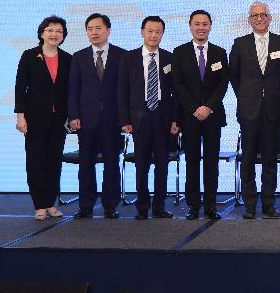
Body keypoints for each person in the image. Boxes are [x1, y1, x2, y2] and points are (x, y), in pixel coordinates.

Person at [230, 2, 280, 219]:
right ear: (249, 20)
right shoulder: (240, 44)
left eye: (263, 15)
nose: (259, 18)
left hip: (274, 112)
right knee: (247, 159)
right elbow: (234, 77)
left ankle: (269, 204)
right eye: (254, 16)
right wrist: (247, 98)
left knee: (269, 159)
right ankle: (249, 204)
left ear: (270, 18)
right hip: (249, 111)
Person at [118, 16, 179, 220]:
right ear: (142, 32)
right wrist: (125, 120)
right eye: (150, 31)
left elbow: (176, 93)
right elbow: (122, 91)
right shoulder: (129, 58)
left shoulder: (170, 58)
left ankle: (160, 206)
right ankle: (142, 207)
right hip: (139, 117)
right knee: (141, 164)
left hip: (163, 116)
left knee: (162, 164)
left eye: (158, 32)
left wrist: (175, 120)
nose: (153, 35)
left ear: (162, 34)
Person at [171, 10, 230, 220]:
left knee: (211, 162)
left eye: (205, 24)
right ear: (190, 26)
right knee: (192, 162)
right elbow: (177, 84)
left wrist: (208, 107)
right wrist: (195, 108)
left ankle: (211, 206)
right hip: (189, 117)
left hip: (213, 116)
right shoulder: (179, 53)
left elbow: (223, 83)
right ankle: (193, 205)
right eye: (197, 24)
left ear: (210, 26)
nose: (201, 27)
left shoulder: (220, 52)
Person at [15, 16, 72, 220]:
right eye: (50, 30)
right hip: (35, 118)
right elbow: (20, 88)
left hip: (59, 120)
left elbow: (70, 91)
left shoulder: (67, 58)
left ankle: (51, 202)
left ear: (63, 35)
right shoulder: (30, 56)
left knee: (54, 161)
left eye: (59, 31)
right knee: (36, 160)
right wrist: (20, 117)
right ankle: (39, 204)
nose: (54, 34)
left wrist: (71, 116)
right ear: (42, 33)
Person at [68, 13, 125, 219]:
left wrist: (125, 118)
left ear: (108, 30)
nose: (94, 32)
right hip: (86, 119)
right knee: (86, 164)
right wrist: (73, 115)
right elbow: (73, 90)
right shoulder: (79, 57)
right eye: (90, 29)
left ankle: (111, 205)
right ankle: (86, 206)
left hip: (112, 119)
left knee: (112, 163)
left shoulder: (122, 55)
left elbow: (125, 91)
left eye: (98, 28)